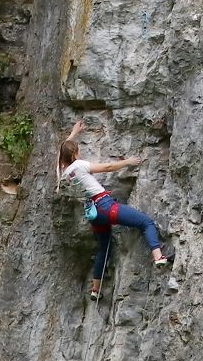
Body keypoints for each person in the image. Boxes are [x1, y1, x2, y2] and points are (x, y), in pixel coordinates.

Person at [58, 120, 170, 299]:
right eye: (78, 150)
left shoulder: (63, 173)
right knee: (146, 222)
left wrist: (73, 133)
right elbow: (107, 167)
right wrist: (128, 162)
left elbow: (61, 153)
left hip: (94, 214)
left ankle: (95, 290)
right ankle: (158, 257)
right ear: (75, 154)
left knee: (103, 249)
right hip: (105, 206)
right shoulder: (79, 165)